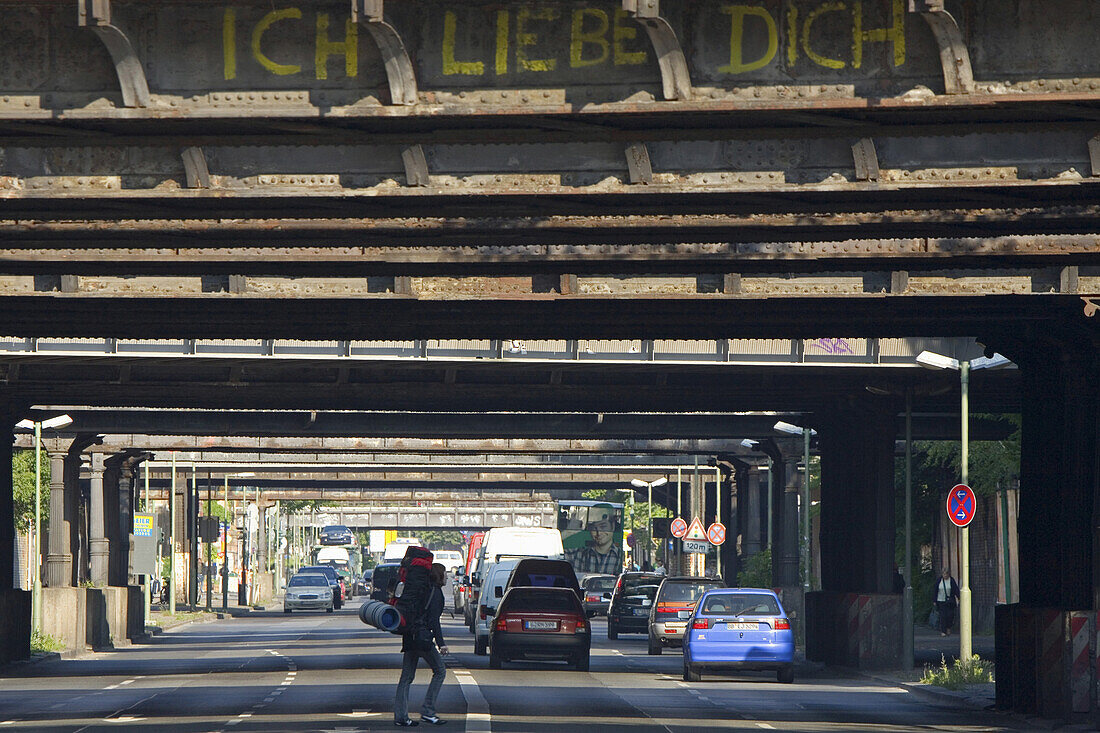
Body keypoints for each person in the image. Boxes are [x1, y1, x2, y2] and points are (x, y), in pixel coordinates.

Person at [394, 562, 449, 727]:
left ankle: (401, 716)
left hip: (410, 635)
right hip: (423, 638)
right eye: (445, 573)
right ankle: (428, 711)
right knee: (440, 671)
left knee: (406, 677)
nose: (447, 576)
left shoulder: (420, 590)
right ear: (439, 575)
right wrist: (441, 643)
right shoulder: (435, 592)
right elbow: (434, 621)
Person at [564, 504, 623, 575]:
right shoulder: (579, 554)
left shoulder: (620, 556)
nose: (599, 533)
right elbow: (552, 555)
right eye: (594, 528)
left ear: (612, 526)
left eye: (603, 526)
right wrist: (567, 532)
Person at [934, 567, 960, 636]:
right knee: (942, 616)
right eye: (943, 574)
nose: (945, 576)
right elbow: (935, 590)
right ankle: (943, 631)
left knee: (950, 616)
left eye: (946, 574)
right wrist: (934, 600)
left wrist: (959, 597)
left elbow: (955, 590)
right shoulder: (939, 580)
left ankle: (948, 627)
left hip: (950, 601)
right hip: (941, 600)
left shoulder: (951, 580)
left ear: (948, 574)